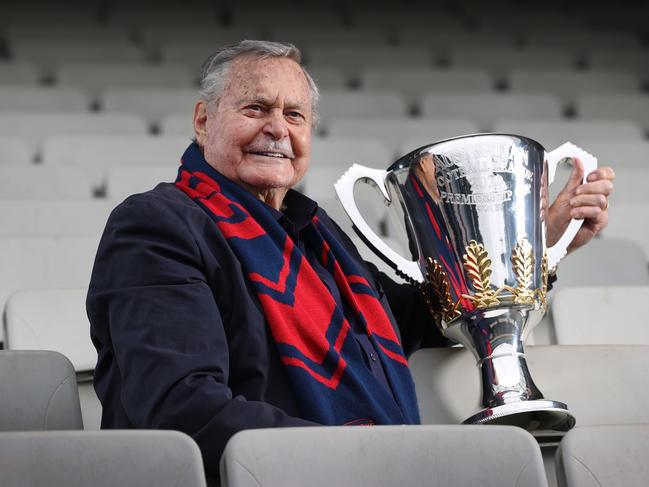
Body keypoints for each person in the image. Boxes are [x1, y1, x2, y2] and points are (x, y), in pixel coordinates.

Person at [86, 40, 615, 486]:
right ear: (204, 121)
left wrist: (542, 242)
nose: (278, 129)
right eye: (255, 109)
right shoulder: (156, 226)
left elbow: (403, 318)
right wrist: (365, 457)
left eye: (295, 115)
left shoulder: (313, 232)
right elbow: (182, 409)